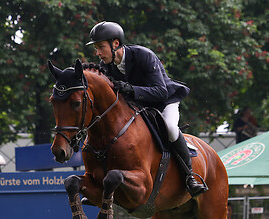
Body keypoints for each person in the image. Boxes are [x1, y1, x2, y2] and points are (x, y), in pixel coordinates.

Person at [86, 21, 207, 198]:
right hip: (139, 106)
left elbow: (160, 91)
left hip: (164, 102)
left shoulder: (144, 55)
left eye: (101, 47)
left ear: (116, 44)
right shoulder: (106, 65)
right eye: (96, 48)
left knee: (171, 129)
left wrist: (130, 88)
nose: (98, 53)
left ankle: (190, 177)